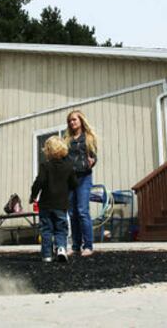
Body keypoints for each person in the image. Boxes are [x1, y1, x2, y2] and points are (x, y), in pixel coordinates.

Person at [30, 136, 78, 262]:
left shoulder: (45, 166)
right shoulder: (69, 166)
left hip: (45, 204)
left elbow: (39, 182)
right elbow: (74, 183)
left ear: (48, 150)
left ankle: (47, 255)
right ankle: (61, 248)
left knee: (46, 229)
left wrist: (33, 195)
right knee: (60, 228)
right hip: (61, 204)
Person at [64, 110, 98, 257]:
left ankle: (88, 246)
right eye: (70, 121)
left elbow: (94, 157)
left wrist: (93, 161)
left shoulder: (89, 138)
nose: (72, 123)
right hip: (70, 179)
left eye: (74, 120)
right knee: (72, 213)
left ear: (81, 121)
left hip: (84, 177)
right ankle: (76, 245)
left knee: (82, 211)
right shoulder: (67, 140)